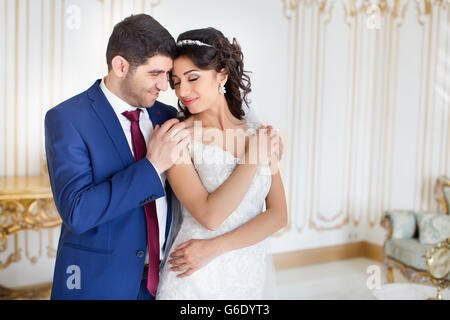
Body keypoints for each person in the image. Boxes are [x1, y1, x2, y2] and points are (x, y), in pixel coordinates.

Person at [155, 28, 287, 300]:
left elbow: (278, 215)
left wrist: (216, 247)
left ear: (222, 75)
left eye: (193, 78)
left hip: (247, 273)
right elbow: (210, 216)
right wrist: (252, 158)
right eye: (176, 82)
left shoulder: (259, 134)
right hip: (193, 277)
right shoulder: (178, 137)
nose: (182, 91)